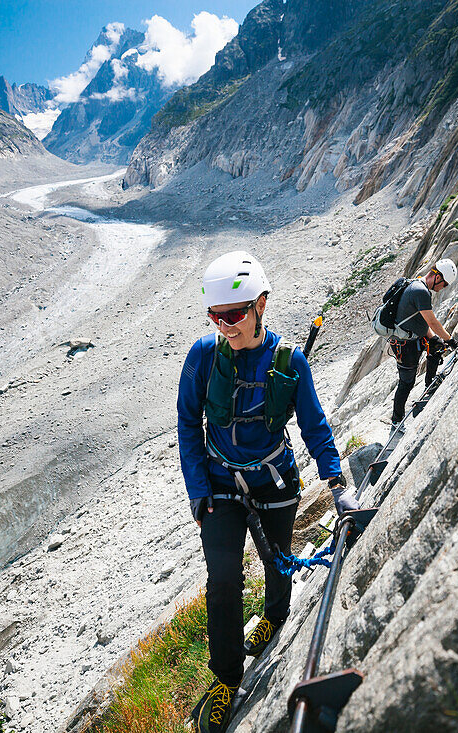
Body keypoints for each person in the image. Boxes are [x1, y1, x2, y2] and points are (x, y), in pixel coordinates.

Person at [178, 251, 358, 733]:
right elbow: (187, 422)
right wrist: (198, 490)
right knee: (222, 579)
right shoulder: (203, 355)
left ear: (261, 304)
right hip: (219, 485)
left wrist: (338, 483)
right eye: (216, 316)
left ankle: (276, 616)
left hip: (275, 481)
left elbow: (315, 427)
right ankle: (226, 679)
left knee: (278, 559)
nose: (224, 325)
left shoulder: (290, 362)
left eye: (233, 315)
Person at [388, 258, 458, 426]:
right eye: (444, 284)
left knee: (436, 346)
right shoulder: (420, 291)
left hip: (411, 338)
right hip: (404, 345)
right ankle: (396, 420)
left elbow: (419, 321)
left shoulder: (418, 285)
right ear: (437, 277)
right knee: (407, 382)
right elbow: (432, 322)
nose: (443, 288)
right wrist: (450, 341)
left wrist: (435, 339)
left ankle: (430, 384)